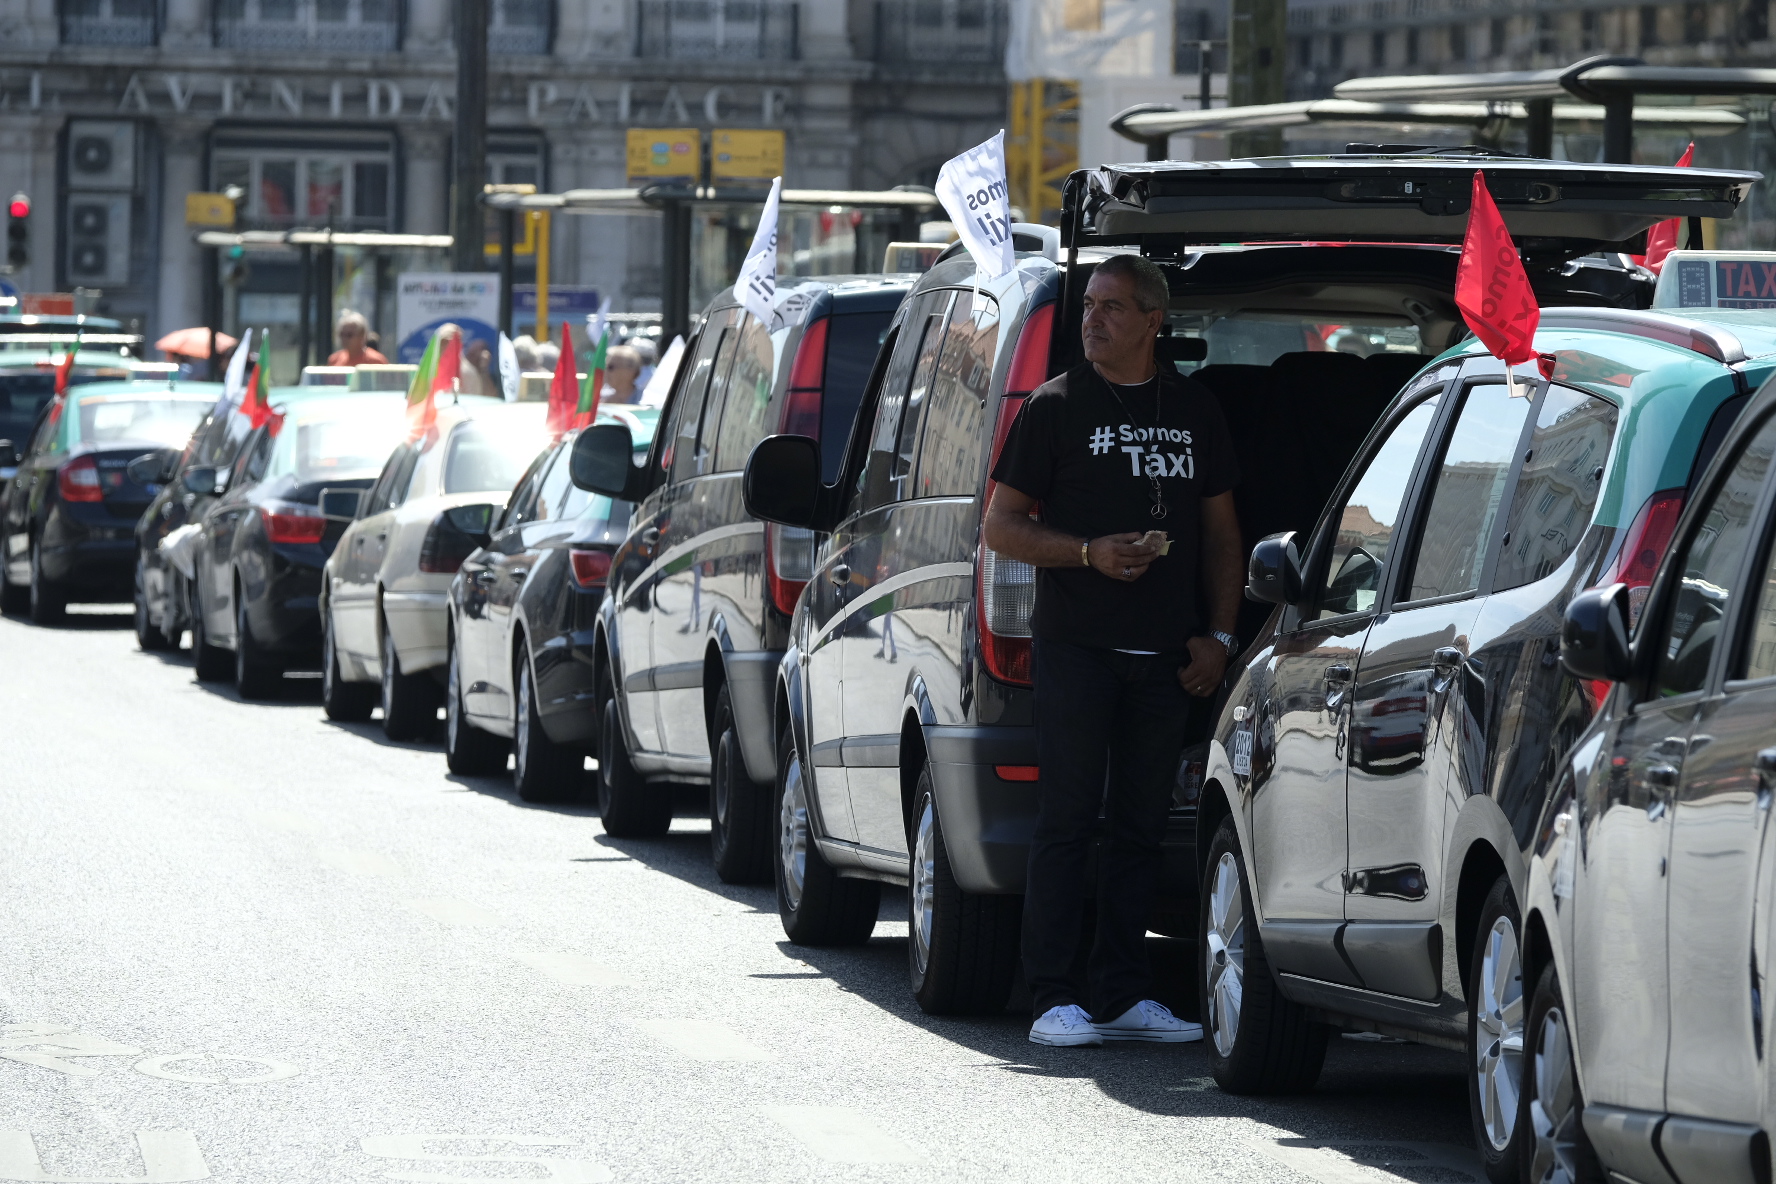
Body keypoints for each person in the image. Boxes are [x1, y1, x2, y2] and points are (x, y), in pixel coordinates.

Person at [982, 254, 1244, 1048]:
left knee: (1136, 826)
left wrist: (1222, 639)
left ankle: (1124, 993)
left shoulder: (1195, 410)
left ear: (1153, 320)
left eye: (1112, 308)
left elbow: (1224, 536)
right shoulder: (1054, 407)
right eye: (1088, 305)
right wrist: (1088, 552)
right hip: (1078, 650)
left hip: (1167, 657)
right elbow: (1000, 527)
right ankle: (1053, 997)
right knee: (1067, 820)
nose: (1092, 320)